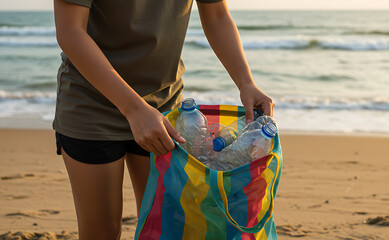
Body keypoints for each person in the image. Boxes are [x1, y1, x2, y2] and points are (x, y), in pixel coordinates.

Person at [52, 0, 275, 239]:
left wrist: (246, 82)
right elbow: (70, 31)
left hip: (164, 109)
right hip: (91, 106)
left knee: (165, 227)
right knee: (100, 233)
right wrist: (134, 109)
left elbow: (217, 16)